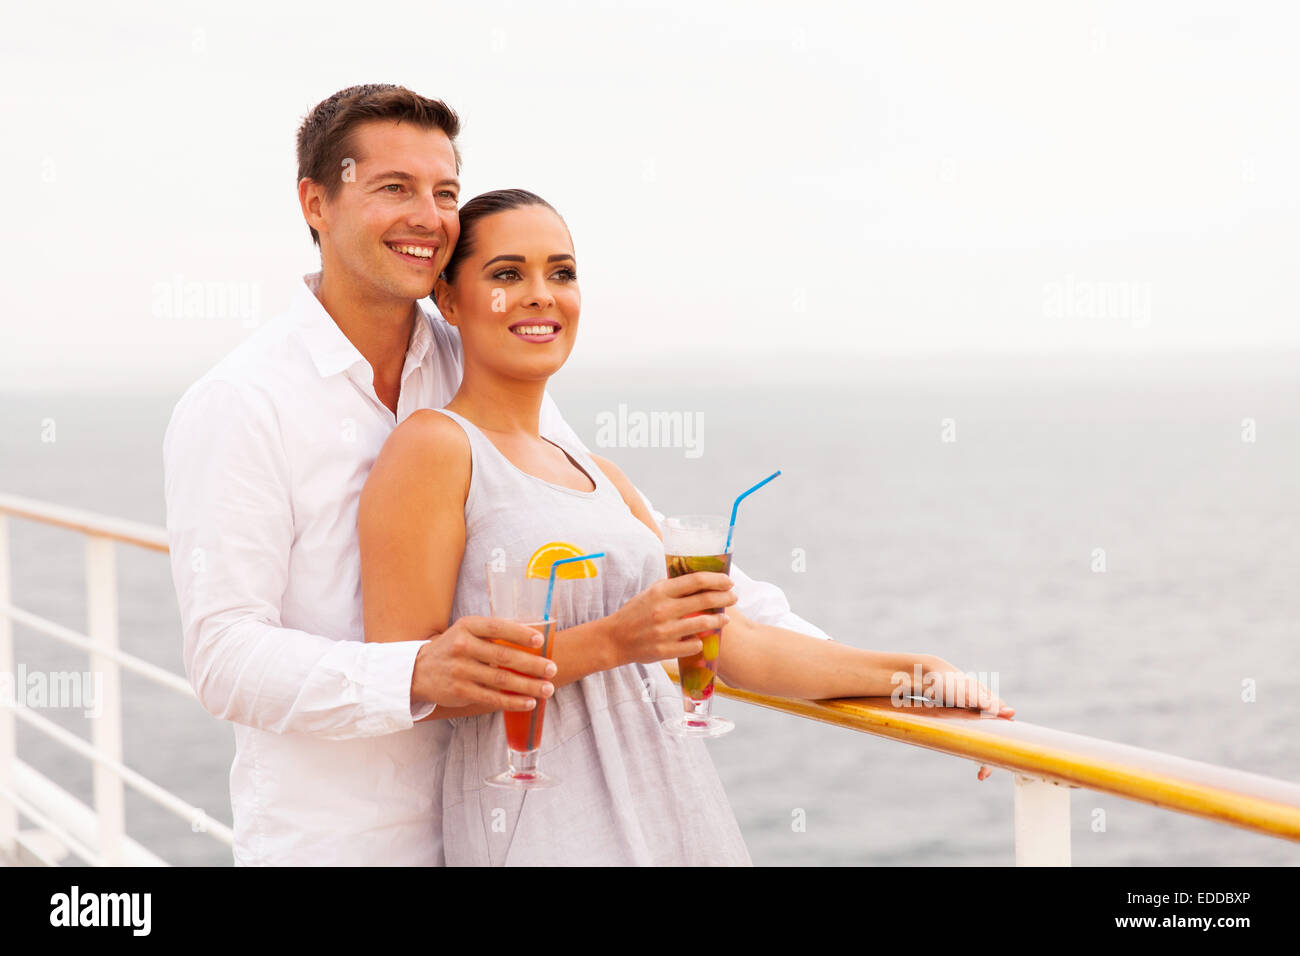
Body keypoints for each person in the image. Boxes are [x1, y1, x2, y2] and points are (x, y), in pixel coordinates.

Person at [162, 84, 874, 866]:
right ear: (316, 203)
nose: (426, 216)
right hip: (347, 841)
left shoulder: (477, 362)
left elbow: (638, 540)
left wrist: (868, 672)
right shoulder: (241, 402)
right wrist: (415, 671)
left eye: (443, 192)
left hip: (522, 817)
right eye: (393, 188)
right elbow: (225, 654)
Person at [357, 189, 1015, 865]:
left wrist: (918, 675)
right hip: (540, 828)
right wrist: (615, 640)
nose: (540, 294)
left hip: (670, 810)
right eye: (506, 274)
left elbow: (738, 650)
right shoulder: (435, 447)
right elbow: (409, 681)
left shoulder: (601, 477)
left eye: (561, 272)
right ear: (450, 299)